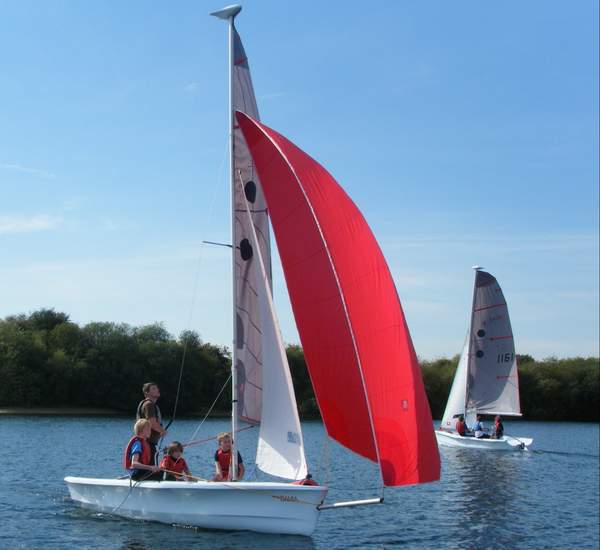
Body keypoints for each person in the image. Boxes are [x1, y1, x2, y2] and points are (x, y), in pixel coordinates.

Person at [136, 382, 167, 464]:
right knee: (150, 469)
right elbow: (152, 423)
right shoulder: (149, 404)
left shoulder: (147, 404)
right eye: (153, 388)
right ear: (147, 393)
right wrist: (162, 431)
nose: (157, 390)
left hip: (147, 443)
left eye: (157, 388)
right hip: (148, 443)